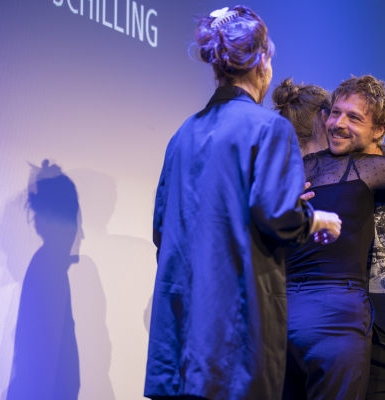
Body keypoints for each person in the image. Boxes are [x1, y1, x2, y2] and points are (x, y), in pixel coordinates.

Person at [144, 7, 342, 400]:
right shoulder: (269, 128)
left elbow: (161, 229)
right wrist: (317, 220)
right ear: (262, 61)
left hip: (183, 336)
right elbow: (278, 213)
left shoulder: (183, 134)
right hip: (236, 333)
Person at [273, 78, 385, 399]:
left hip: (281, 313)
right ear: (322, 120)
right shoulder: (364, 167)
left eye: (352, 117)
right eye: (334, 114)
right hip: (337, 314)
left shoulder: (283, 177)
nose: (339, 124)